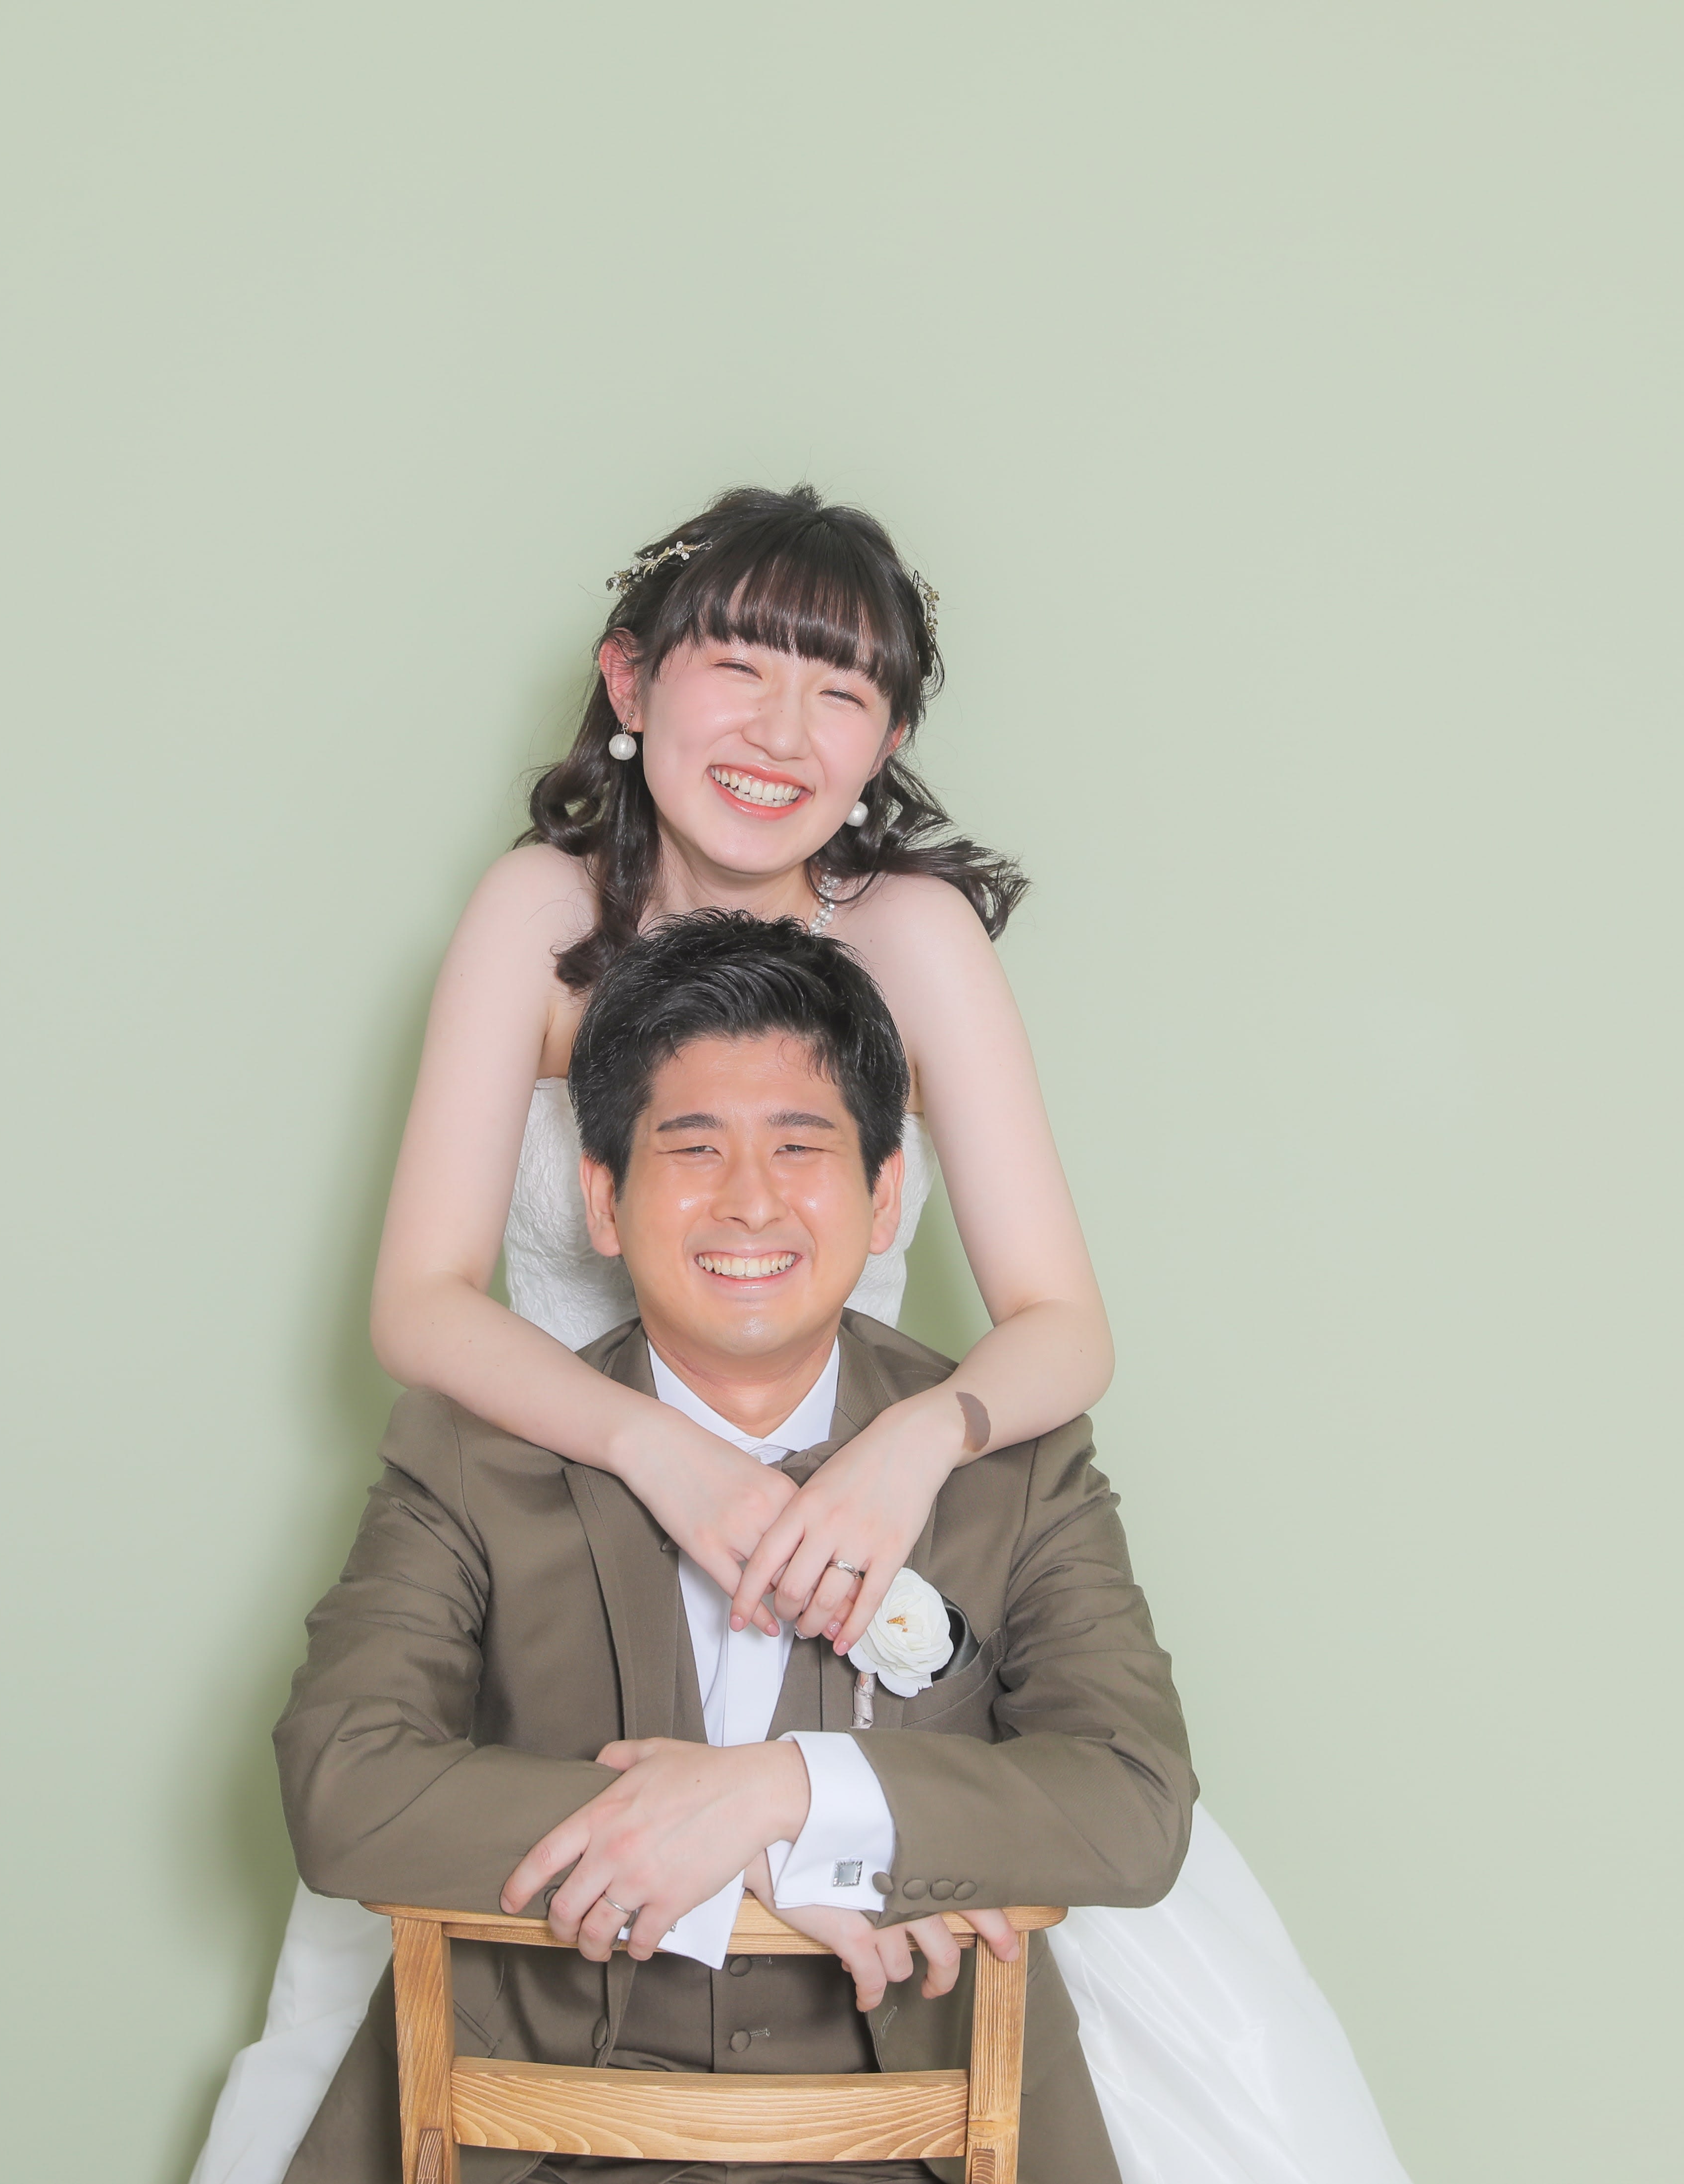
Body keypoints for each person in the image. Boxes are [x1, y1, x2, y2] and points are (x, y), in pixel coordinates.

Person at [193, 489, 1404, 2184]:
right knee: (413, 1977)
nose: (780, 733)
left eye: (839, 691)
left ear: (887, 740)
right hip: (561, 1525)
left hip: (849, 1520)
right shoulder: (536, 913)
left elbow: (1062, 1323)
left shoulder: (909, 935)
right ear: (632, 682)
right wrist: (655, 1450)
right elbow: (422, 1299)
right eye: (739, 668)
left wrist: (910, 1451)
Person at [271, 911, 1192, 2183]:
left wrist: (787, 1793)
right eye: (692, 1148)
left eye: (800, 1148)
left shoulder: (1011, 1462)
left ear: (883, 1196)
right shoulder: (469, 1453)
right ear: (603, 1200)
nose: (749, 1199)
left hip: (922, 2133)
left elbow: (1132, 1799)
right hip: (528, 2129)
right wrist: (735, 1861)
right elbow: (343, 1785)